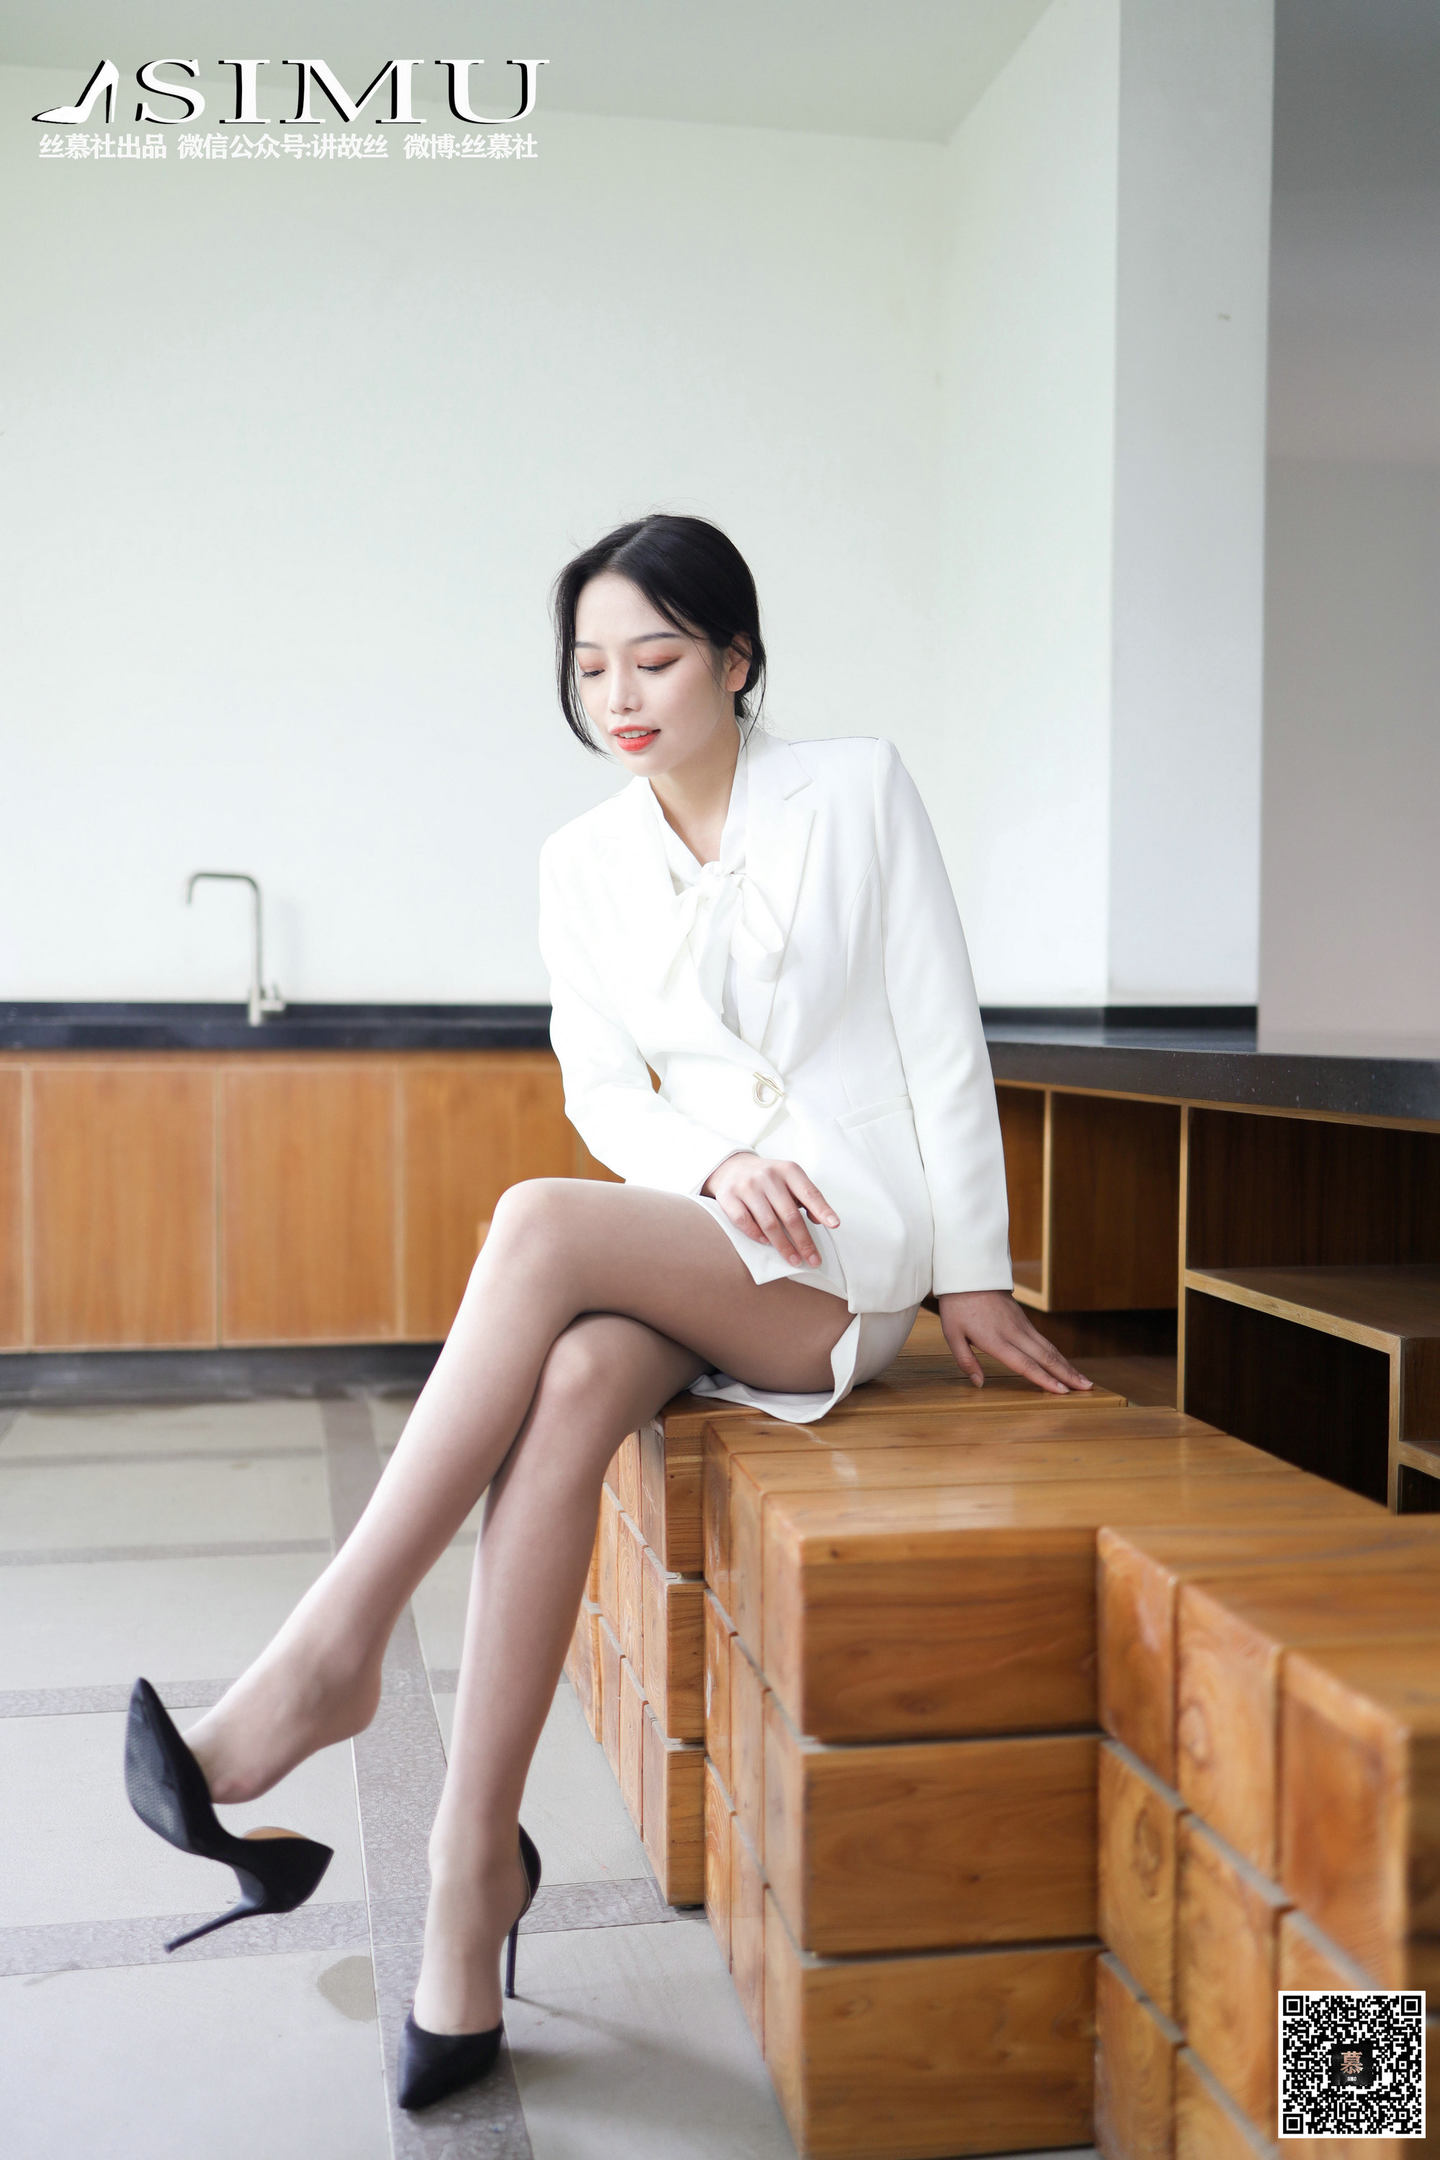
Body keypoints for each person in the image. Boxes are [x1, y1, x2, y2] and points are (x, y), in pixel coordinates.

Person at [123, 511, 1091, 2111]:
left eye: (655, 658)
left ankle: (329, 1657)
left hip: (844, 1251)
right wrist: (713, 1165)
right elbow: (602, 1086)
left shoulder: (855, 791)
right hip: (708, 1226)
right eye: (590, 668)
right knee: (574, 1383)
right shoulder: (581, 861)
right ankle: (468, 1880)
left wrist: (973, 1273)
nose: (620, 696)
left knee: (533, 1221)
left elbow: (939, 1031)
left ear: (736, 659)